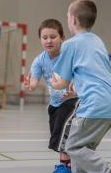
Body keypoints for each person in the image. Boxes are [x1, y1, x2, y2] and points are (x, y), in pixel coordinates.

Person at [51, 0, 111, 173]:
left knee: (73, 147)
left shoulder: (70, 45)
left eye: (68, 17)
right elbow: (92, 75)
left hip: (95, 104)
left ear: (74, 20)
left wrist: (53, 82)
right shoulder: (97, 41)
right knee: (85, 150)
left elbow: (63, 82)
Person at [24, 19, 78, 173]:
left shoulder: (70, 55)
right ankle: (70, 164)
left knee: (61, 132)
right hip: (55, 104)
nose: (48, 41)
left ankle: (64, 167)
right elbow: (34, 83)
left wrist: (75, 88)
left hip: (73, 101)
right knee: (61, 135)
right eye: (44, 37)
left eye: (53, 37)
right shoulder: (39, 60)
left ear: (62, 37)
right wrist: (30, 85)